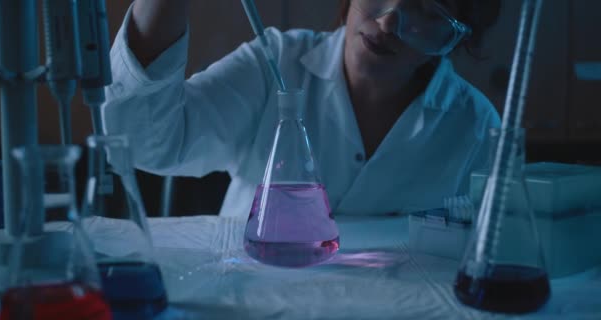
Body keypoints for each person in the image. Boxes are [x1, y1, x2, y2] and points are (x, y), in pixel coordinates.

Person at [102, 0, 502, 217]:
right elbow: (146, 142)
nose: (388, 21)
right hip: (251, 299)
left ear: (457, 35)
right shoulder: (275, 61)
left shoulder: (474, 124)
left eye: (427, 11)